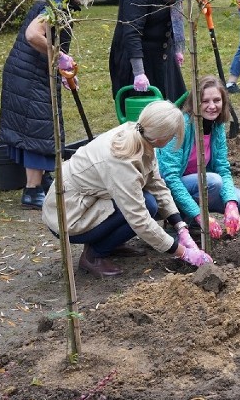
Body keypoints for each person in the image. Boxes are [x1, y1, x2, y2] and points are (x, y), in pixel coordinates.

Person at [42, 100, 213, 278]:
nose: (173, 140)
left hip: (92, 199)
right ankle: (93, 255)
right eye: (172, 137)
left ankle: (111, 243)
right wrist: (182, 252)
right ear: (158, 138)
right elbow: (138, 219)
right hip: (68, 215)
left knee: (150, 202)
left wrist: (180, 226)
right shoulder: (122, 162)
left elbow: (156, 184)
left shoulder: (142, 134)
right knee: (147, 206)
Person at [0, 0, 97, 209]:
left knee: (34, 127)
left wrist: (61, 68)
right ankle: (31, 192)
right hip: (30, 75)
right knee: (38, 129)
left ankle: (41, 180)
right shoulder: (53, 4)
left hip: (29, 72)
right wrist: (58, 55)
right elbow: (33, 35)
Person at [157, 75, 240, 238]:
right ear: (195, 102)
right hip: (167, 190)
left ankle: (193, 220)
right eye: (205, 101)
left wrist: (230, 204)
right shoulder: (180, 127)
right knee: (213, 181)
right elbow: (170, 178)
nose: (212, 106)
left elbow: (223, 167)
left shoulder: (217, 127)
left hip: (199, 185)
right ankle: (179, 223)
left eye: (216, 100)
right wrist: (199, 215)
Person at [109, 0, 192, 106]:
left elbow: (171, 19)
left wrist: (176, 48)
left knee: (173, 109)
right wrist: (139, 73)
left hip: (162, 57)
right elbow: (132, 33)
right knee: (146, 117)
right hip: (138, 60)